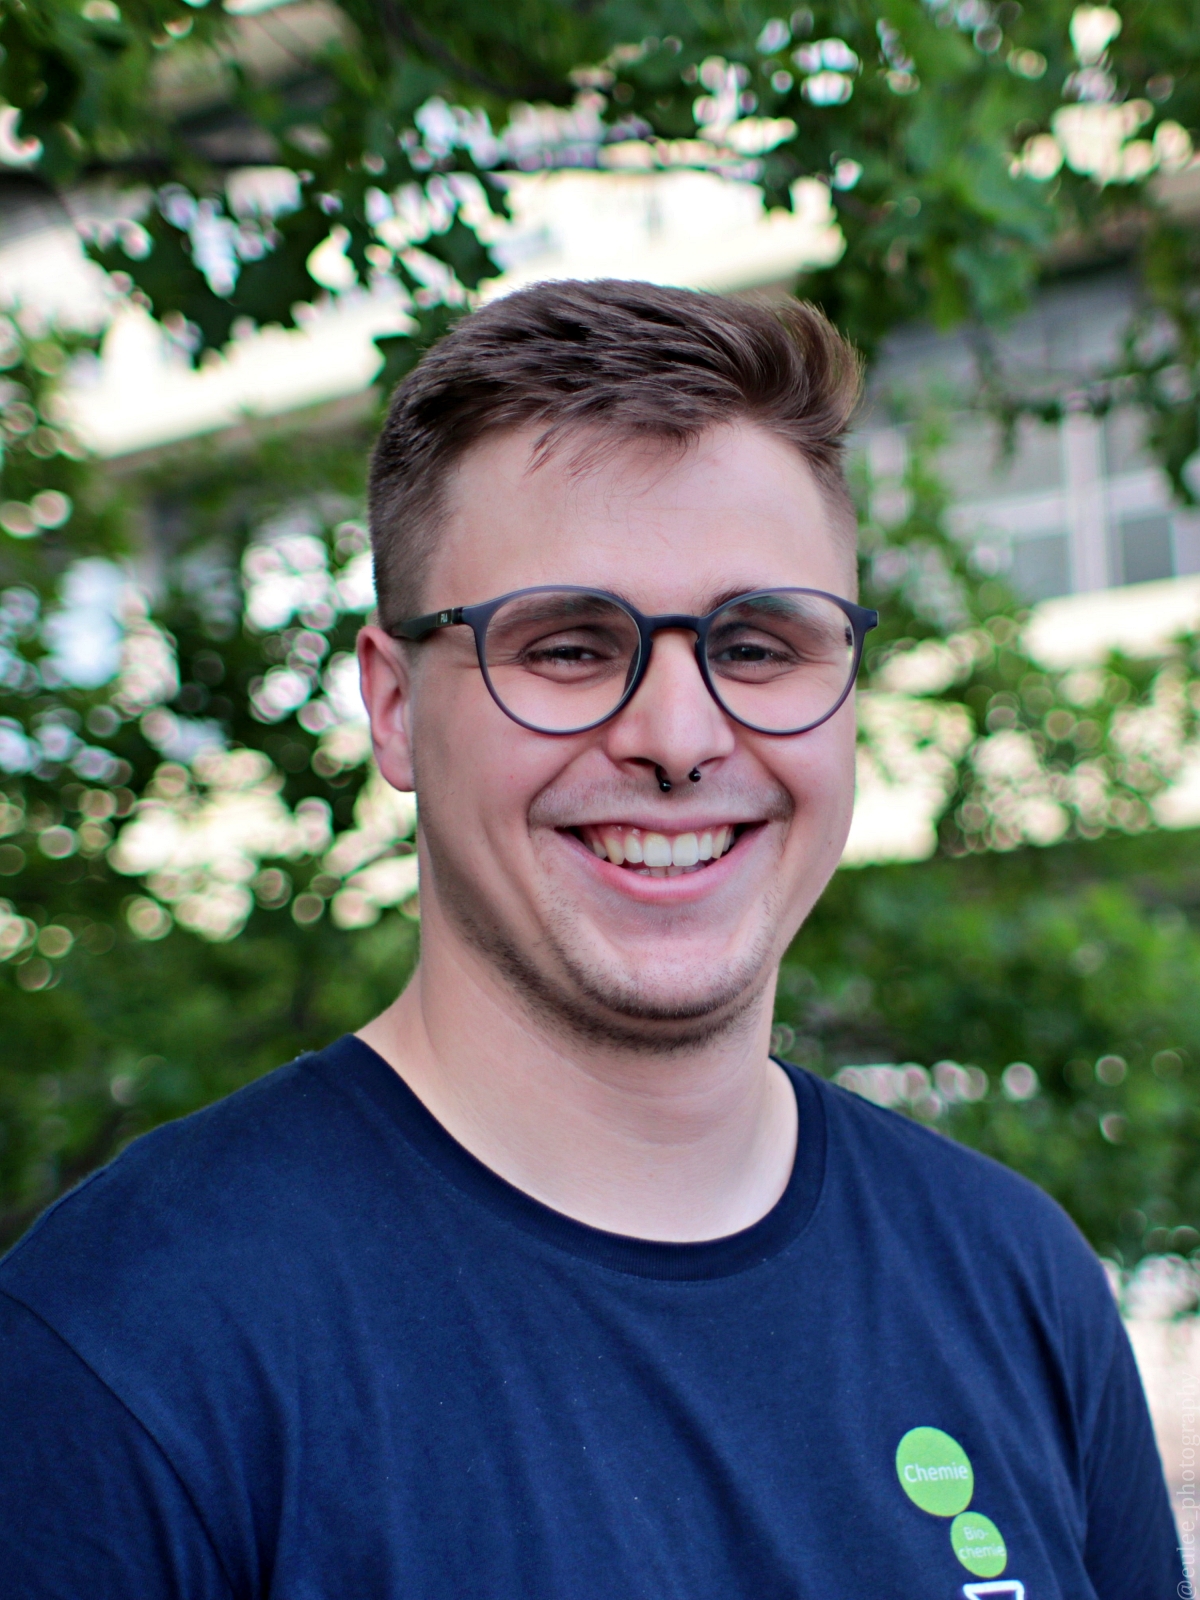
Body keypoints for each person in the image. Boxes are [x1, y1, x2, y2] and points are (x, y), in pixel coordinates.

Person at [0, 280, 1181, 1598]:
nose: (678, 739)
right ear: (393, 707)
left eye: (758, 645)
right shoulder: (124, 1348)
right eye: (567, 647)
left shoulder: (1015, 1278)